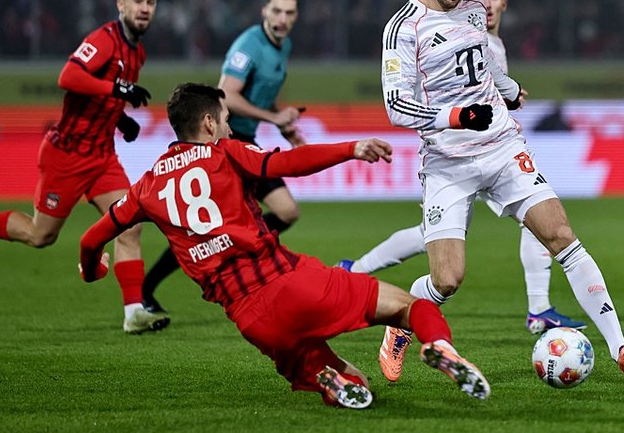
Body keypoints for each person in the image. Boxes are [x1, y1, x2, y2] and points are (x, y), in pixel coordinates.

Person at [78, 83, 491, 408]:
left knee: (357, 383)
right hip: (289, 283)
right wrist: (350, 148)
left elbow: (91, 238)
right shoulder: (226, 153)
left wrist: (94, 268)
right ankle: (440, 347)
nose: (228, 128)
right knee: (410, 308)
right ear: (208, 124)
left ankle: (327, 378)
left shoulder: (146, 187)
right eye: (225, 120)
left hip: (250, 319)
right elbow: (286, 163)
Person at [376, 0, 624, 385]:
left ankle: (620, 349)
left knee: (561, 236)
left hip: (503, 148)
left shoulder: (472, 7)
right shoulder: (403, 28)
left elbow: (483, 64)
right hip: (448, 162)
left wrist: (508, 90)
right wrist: (456, 116)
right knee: (447, 279)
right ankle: (399, 324)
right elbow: (396, 106)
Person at [338, 0, 586, 336]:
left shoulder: (489, 42)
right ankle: (537, 309)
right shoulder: (464, 37)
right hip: (455, 157)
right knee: (444, 246)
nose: (486, 3)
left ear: (504, 3)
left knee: (531, 221)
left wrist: (508, 97)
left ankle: (539, 308)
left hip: (489, 153)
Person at [0, 0, 170, 334]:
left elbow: (100, 96)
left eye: (151, 2)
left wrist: (121, 120)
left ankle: (134, 312)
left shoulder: (137, 52)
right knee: (40, 236)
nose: (144, 8)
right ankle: (104, 281)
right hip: (67, 154)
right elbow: (69, 77)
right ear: (120, 4)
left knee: (130, 224)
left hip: (103, 156)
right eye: (137, 0)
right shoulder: (104, 40)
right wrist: (117, 89)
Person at [142, 0, 305, 315]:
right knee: (213, 228)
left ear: (296, 15)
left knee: (281, 213)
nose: (282, 18)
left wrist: (282, 125)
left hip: (245, 141)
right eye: (276, 10)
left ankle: (241, 254)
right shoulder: (248, 45)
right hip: (225, 142)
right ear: (264, 10)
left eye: (289, 12)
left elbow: (259, 94)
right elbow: (225, 94)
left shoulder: (282, 45)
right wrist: (273, 117)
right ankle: (147, 288)